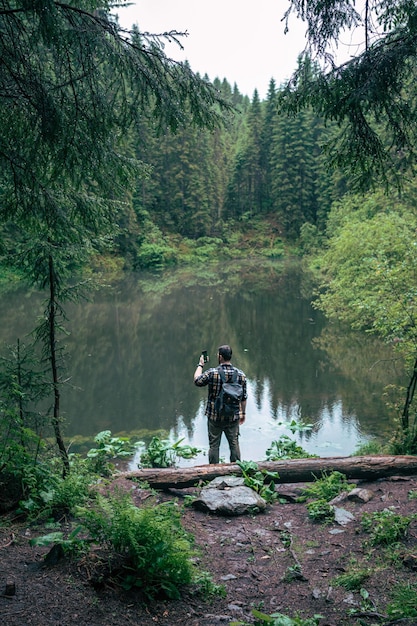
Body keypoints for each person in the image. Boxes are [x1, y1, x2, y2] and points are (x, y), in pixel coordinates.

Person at [194, 344, 247, 464]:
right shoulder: (241, 375)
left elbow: (197, 381)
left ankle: (213, 472)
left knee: (214, 445)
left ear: (221, 357)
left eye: (218, 354)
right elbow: (243, 398)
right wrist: (243, 413)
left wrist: (200, 364)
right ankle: (236, 470)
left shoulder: (212, 373)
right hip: (232, 416)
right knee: (234, 443)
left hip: (215, 416)